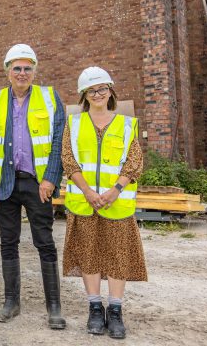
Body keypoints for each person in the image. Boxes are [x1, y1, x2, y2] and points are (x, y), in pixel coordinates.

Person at [0, 44, 66, 328]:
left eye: (27, 68)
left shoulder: (50, 98)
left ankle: (54, 306)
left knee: (45, 243)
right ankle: (11, 302)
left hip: (37, 183)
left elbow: (59, 142)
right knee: (8, 243)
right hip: (5, 183)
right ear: (7, 71)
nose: (22, 73)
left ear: (34, 71)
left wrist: (51, 178)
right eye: (16, 68)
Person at [62, 67, 146, 339]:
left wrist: (115, 190)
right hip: (85, 203)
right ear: (84, 95)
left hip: (116, 203)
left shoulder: (125, 124)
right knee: (89, 255)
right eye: (91, 90)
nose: (98, 94)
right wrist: (87, 191)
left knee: (117, 256)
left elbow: (134, 162)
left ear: (110, 91)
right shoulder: (74, 124)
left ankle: (116, 312)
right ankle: (95, 309)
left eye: (102, 89)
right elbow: (68, 159)